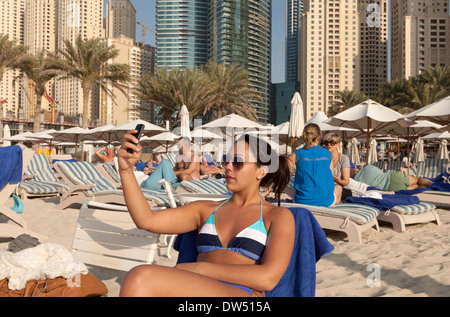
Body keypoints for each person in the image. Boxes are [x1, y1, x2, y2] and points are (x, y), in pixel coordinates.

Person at [117, 131, 294, 297]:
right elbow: (146, 220)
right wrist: (126, 170)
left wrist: (199, 269)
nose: (228, 168)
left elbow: (268, 278)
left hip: (243, 292)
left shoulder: (277, 216)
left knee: (140, 277)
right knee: (139, 280)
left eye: (238, 163)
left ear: (261, 171)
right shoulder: (206, 209)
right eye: (226, 160)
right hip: (198, 287)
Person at [288, 123, 341, 207]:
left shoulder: (296, 154)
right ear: (318, 138)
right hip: (326, 202)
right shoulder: (327, 154)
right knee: (339, 188)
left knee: (293, 185)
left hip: (301, 201)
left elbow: (283, 171)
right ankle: (333, 213)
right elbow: (330, 175)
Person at [354, 164, 434, 192]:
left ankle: (431, 186)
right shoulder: (368, 167)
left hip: (390, 189)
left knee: (418, 186)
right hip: (393, 177)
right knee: (417, 180)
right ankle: (435, 185)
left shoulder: (356, 182)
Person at [323, 133, 352, 200]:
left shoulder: (343, 158)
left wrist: (338, 180)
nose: (329, 145)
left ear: (337, 144)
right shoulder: (322, 158)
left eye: (332, 143)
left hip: (340, 188)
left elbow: (346, 181)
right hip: (326, 187)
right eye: (326, 143)